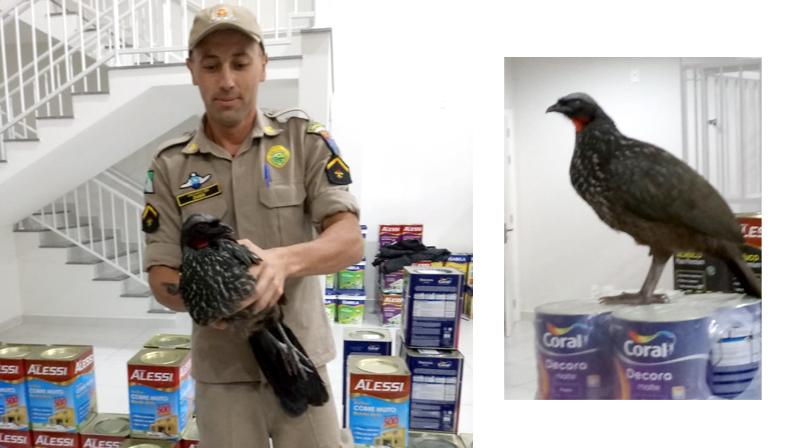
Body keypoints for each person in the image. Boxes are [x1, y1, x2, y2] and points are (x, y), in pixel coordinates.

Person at [141, 4, 362, 447]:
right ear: (192, 71)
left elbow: (348, 241)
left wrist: (282, 261)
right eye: (211, 65)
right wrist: (208, 300)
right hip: (222, 374)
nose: (226, 80)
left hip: (299, 354)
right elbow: (161, 274)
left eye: (240, 63)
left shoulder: (304, 140)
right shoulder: (169, 164)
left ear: (263, 64)